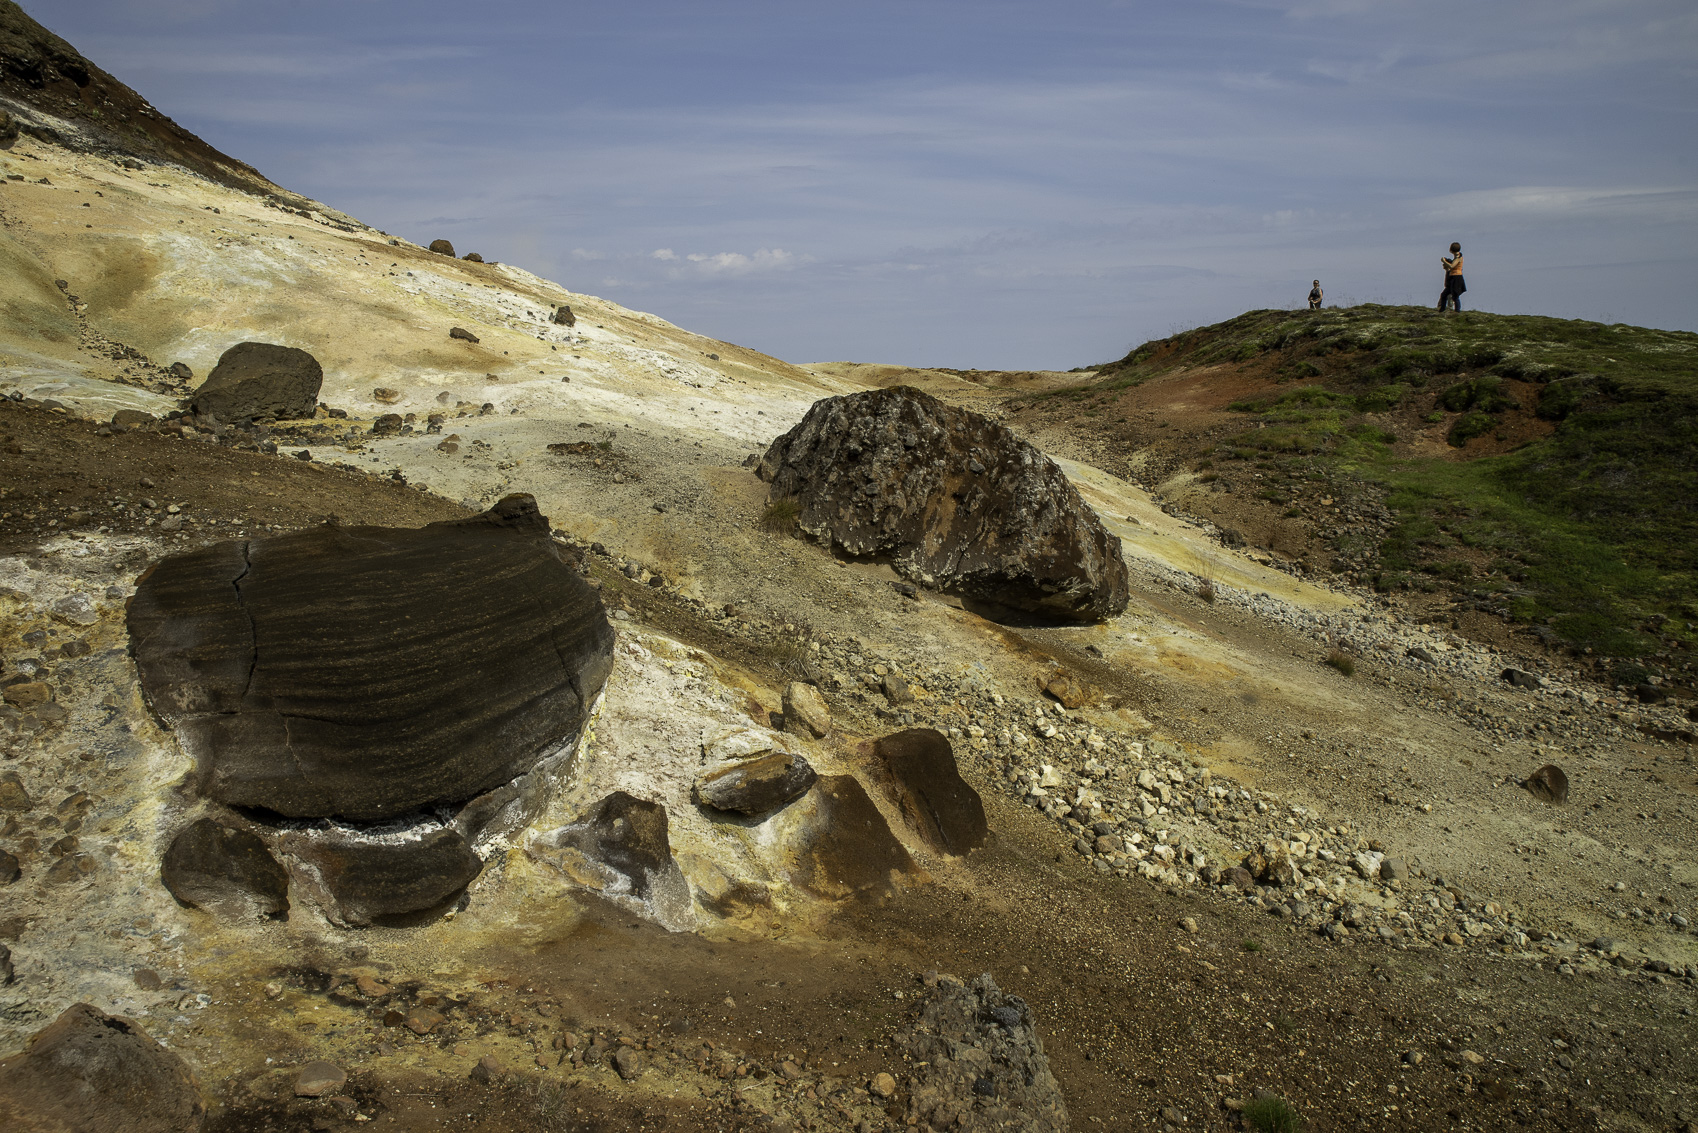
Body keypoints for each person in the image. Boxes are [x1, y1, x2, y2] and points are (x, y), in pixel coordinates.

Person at [1438, 242, 1465, 311]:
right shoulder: (1458, 256)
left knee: (1455, 296)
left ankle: (1457, 311)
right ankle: (1442, 310)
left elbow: (1452, 266)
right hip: (1453, 277)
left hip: (1457, 277)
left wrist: (1444, 261)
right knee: (1444, 294)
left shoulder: (1458, 257)